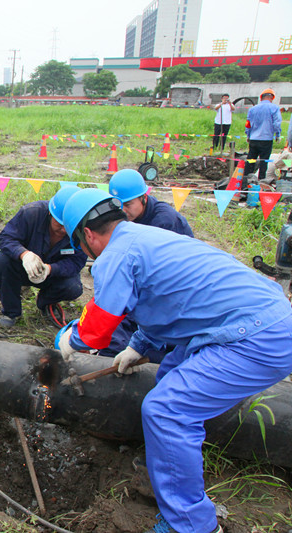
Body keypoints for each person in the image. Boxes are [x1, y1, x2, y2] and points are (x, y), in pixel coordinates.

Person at [56, 188, 292, 533]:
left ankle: (191, 524)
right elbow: (169, 298)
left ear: (88, 235)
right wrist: (139, 345)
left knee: (166, 410)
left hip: (256, 337)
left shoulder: (114, 256)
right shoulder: (146, 237)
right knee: (169, 373)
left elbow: (97, 329)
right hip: (262, 319)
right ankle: (166, 467)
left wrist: (70, 340)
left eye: (80, 243)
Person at [101, 169, 195, 362]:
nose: (123, 211)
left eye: (128, 205)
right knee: (114, 321)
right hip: (145, 283)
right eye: (118, 205)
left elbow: (158, 279)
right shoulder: (126, 218)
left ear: (143, 198)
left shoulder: (164, 222)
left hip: (175, 291)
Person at [0, 186, 87, 328]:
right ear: (50, 213)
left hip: (54, 275)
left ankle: (45, 302)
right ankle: (11, 312)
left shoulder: (81, 230)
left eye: (68, 226)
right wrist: (24, 254)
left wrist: (50, 269)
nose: (63, 230)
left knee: (73, 287)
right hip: (23, 268)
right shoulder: (31, 213)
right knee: (1, 261)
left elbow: (76, 262)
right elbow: (5, 238)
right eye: (60, 224)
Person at [244, 88, 282, 186]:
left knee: (250, 160)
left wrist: (248, 135)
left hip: (253, 139)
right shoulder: (274, 108)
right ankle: (261, 182)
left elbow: (248, 124)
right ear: (271, 97)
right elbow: (277, 123)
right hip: (266, 139)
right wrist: (277, 134)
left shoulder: (253, 109)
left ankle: (246, 181)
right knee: (263, 161)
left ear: (261, 98)